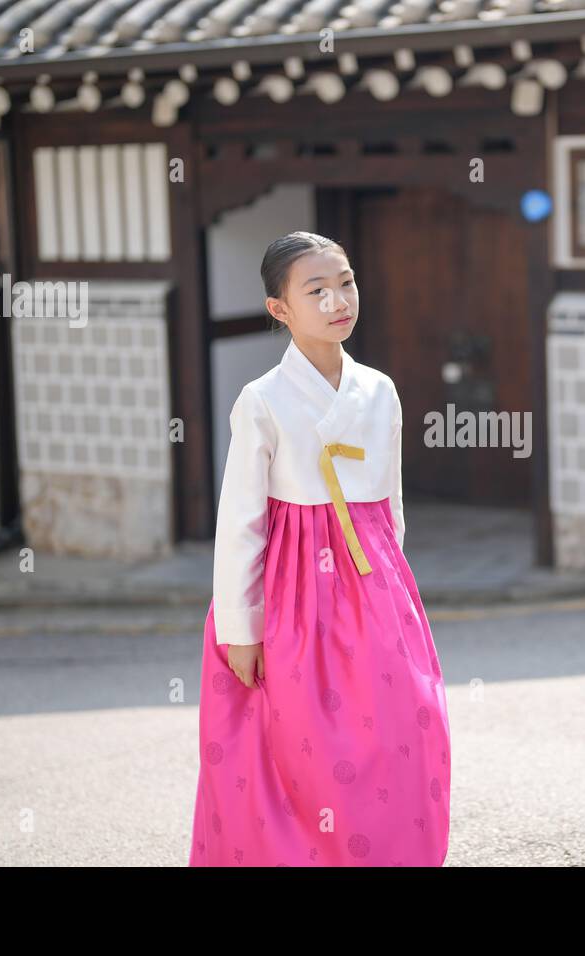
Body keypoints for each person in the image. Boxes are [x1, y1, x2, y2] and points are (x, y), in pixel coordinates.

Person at [188, 231, 450, 866]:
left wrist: (396, 589)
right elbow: (242, 521)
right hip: (293, 592)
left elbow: (390, 505)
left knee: (403, 728)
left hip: (374, 585)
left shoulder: (379, 390)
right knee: (301, 747)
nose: (339, 300)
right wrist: (240, 628)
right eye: (317, 290)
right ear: (280, 309)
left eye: (347, 283)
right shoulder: (263, 401)